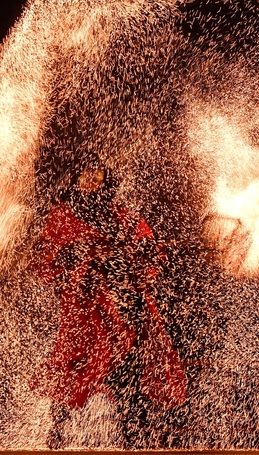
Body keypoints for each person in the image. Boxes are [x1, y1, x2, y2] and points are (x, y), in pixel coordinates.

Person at [32, 157, 187, 447]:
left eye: (97, 174)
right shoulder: (61, 219)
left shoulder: (123, 218)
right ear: (75, 179)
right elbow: (42, 264)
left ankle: (136, 445)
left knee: (130, 393)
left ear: (106, 179)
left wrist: (145, 253)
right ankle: (53, 445)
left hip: (126, 319)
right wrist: (70, 257)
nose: (90, 180)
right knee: (70, 385)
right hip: (84, 320)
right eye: (84, 174)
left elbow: (150, 263)